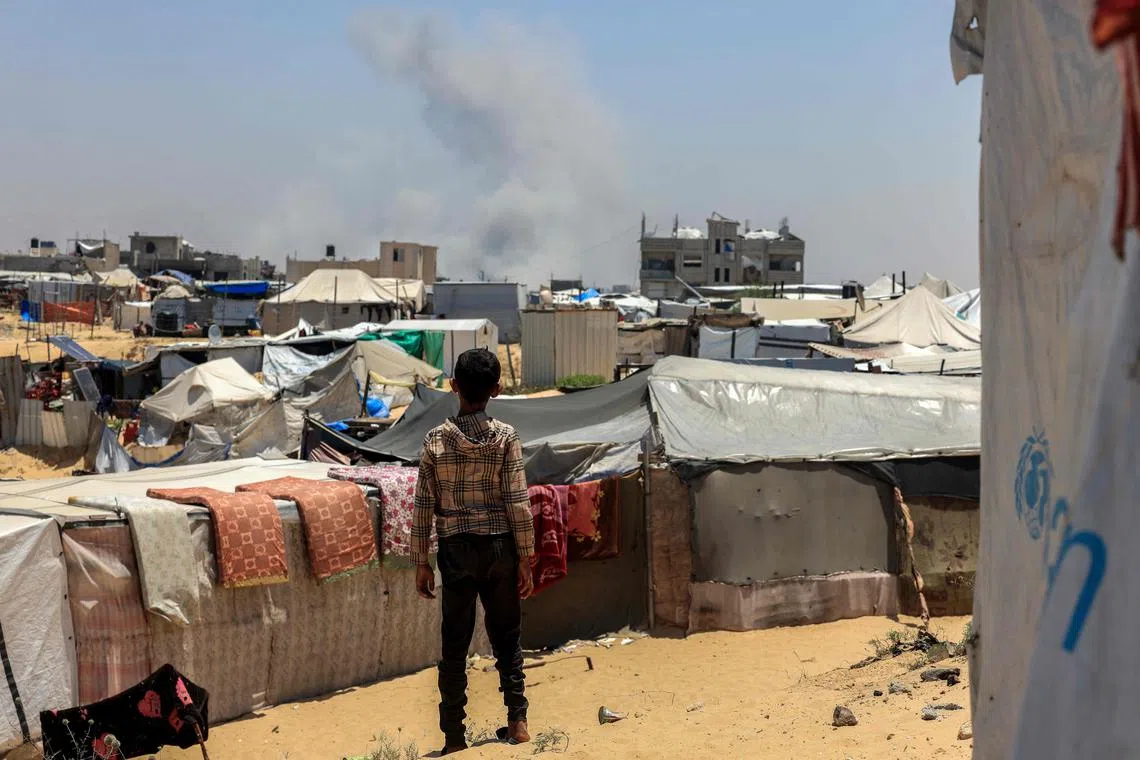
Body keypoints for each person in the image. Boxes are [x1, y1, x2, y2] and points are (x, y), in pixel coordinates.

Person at [412, 348, 535, 755]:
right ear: (496, 390)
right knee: (507, 638)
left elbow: (423, 505)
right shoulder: (506, 437)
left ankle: (453, 737)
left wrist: (421, 562)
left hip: (455, 549)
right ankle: (517, 721)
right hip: (500, 547)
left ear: (453, 386)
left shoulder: (434, 440)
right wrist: (526, 557)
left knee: (454, 643)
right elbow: (517, 502)